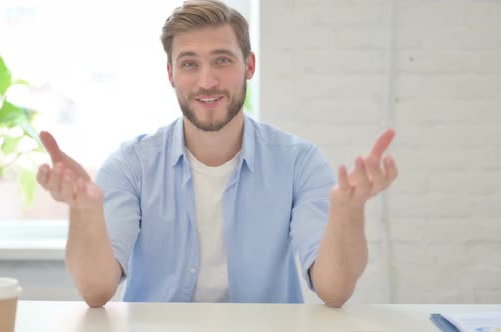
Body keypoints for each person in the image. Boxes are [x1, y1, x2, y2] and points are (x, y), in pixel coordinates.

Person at [36, 0, 398, 308]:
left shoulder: (298, 162)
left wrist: (349, 213)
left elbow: (334, 291)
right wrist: (84, 214)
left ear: (249, 66)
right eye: (190, 63)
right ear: (171, 74)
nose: (206, 81)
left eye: (222, 60)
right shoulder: (131, 165)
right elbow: (96, 291)